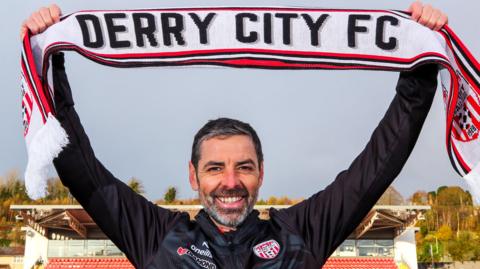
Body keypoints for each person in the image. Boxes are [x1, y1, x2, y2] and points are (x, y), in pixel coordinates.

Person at [22, 2, 448, 269]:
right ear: (193, 176)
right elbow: (81, 169)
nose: (230, 182)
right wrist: (49, 64)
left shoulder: (299, 234)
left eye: (243, 167)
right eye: (215, 168)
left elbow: (377, 164)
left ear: (261, 173)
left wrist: (419, 64)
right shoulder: (159, 237)